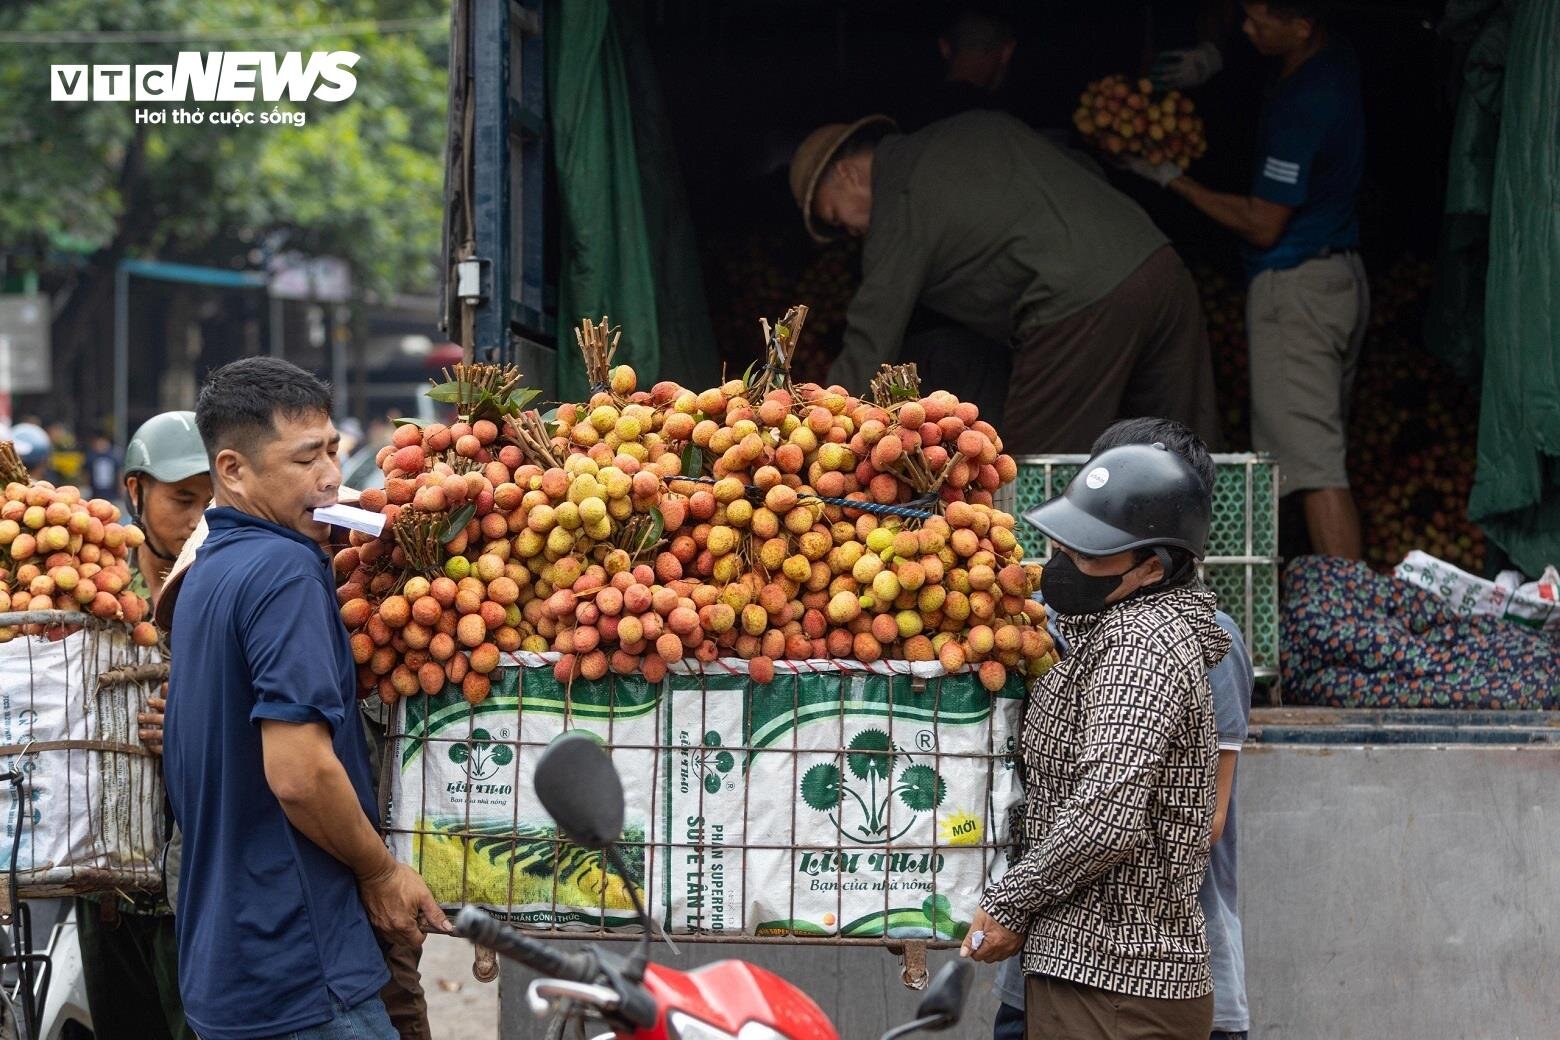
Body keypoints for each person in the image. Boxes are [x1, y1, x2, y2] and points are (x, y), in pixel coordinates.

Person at [164, 357, 449, 1040]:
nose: (329, 476)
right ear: (232, 470)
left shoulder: (210, 571)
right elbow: (297, 773)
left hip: (228, 970)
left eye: (332, 450)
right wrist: (380, 872)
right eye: (305, 459)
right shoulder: (285, 571)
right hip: (298, 966)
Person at [992, 418, 1253, 1040]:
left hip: (1128, 971)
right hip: (1053, 954)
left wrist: (1010, 898)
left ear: (1153, 563)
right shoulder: (1080, 628)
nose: (1065, 562)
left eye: (1093, 544)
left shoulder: (1159, 643)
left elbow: (1183, 819)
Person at [790, 110, 1223, 455]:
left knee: (1036, 469)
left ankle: (1043, 569)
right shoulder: (976, 126)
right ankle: (1206, 563)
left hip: (1073, 306)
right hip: (1157, 262)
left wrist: (810, 424)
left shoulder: (900, 200)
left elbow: (871, 334)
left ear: (847, 173)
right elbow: (1083, 165)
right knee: (1184, 449)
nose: (851, 233)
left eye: (836, 218)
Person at [1125, 1, 1366, 559]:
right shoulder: (1332, 59)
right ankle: (1331, 602)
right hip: (1338, 276)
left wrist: (1172, 180)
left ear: (1303, 26)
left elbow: (1263, 223)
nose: (1245, 28)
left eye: (1259, 22)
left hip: (1297, 287)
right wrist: (1218, 56)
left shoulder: (1308, 101)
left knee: (1313, 466)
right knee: (1316, 453)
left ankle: (1356, 624)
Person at [72, 412, 212, 1040]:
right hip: (106, 883)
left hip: (200, 880)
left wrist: (190, 725)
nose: (197, 516)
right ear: (136, 491)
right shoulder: (94, 588)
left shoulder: (224, 582)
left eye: (211, 500)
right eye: (183, 499)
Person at [85, 432, 122, 504]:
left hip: (111, 492)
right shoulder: (91, 457)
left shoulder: (114, 457)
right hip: (96, 492)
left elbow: (119, 473)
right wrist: (87, 487)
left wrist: (121, 488)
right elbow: (87, 474)